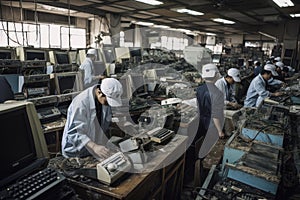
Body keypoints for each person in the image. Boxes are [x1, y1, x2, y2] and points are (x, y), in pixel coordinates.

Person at [61, 78, 123, 159]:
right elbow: (74, 133)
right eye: (108, 101)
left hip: (94, 148)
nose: (108, 104)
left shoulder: (103, 100)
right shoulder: (80, 103)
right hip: (76, 151)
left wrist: (121, 127)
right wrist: (94, 146)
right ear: (99, 92)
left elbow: (106, 120)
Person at [196, 63, 224, 159]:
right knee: (208, 148)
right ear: (215, 75)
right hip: (211, 125)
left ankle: (197, 161)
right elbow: (215, 115)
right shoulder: (218, 93)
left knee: (199, 144)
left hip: (200, 122)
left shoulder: (199, 89)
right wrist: (220, 131)